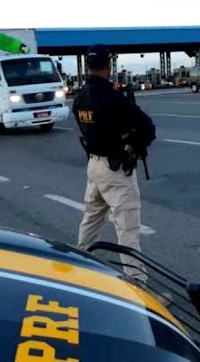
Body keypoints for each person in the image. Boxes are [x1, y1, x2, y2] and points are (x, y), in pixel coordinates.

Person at [72, 44, 156, 285]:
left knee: (91, 218)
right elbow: (147, 128)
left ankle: (81, 267)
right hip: (116, 169)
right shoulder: (113, 98)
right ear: (109, 65)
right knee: (127, 228)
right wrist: (134, 144)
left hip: (94, 165)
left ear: (88, 65)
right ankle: (138, 286)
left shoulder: (80, 98)